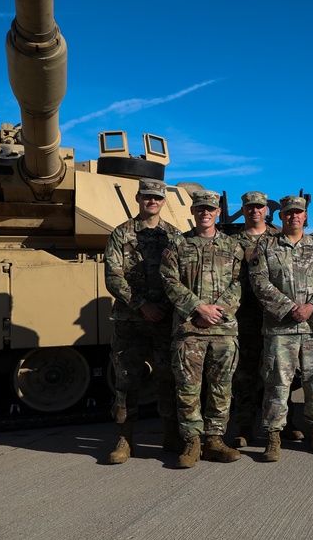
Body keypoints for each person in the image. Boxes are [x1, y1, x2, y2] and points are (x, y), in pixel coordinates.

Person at [249, 195, 313, 461]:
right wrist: (289, 307)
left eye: (298, 212)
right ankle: (273, 437)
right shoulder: (266, 246)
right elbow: (259, 281)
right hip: (280, 328)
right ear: (281, 216)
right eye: (289, 213)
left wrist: (312, 307)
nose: (294, 216)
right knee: (277, 383)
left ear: (305, 216)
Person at [160, 189, 244, 468]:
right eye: (200, 209)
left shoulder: (232, 247)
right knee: (188, 387)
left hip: (223, 330)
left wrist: (217, 311)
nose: (205, 213)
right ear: (193, 212)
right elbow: (169, 280)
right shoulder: (178, 245)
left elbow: (239, 283)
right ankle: (192, 442)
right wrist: (198, 307)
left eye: (210, 208)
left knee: (222, 387)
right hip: (190, 329)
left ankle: (215, 440)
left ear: (218, 212)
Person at [103, 178, 183, 464]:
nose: (152, 201)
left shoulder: (175, 236)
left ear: (164, 201)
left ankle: (171, 435)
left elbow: (182, 277)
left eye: (157, 197)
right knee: (127, 381)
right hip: (130, 320)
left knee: (168, 379)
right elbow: (113, 277)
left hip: (165, 320)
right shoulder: (121, 233)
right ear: (138, 198)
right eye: (147, 196)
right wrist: (141, 305)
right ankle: (124, 440)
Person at [230, 191, 280, 448]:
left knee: (280, 374)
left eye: (259, 207)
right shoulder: (231, 241)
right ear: (244, 209)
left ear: (266, 209)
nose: (254, 211)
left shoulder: (279, 237)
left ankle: (284, 424)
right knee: (245, 374)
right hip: (244, 316)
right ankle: (245, 426)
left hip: (276, 316)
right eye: (250, 207)